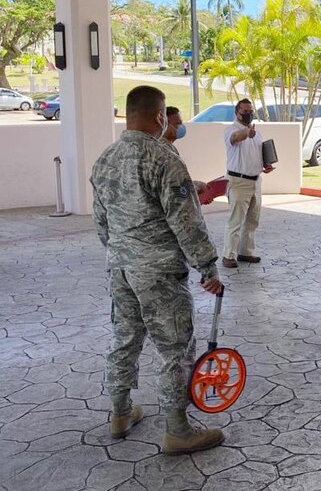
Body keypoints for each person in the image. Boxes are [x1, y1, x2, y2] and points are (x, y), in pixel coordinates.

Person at [91, 85, 225, 455]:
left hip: (121, 267)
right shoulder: (163, 158)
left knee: (125, 337)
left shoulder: (105, 159)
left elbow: (101, 223)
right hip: (159, 272)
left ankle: (120, 412)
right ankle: (178, 430)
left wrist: (123, 253)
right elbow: (186, 222)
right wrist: (208, 267)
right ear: (159, 116)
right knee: (175, 347)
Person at [222, 98, 274, 268]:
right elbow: (236, 138)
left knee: (252, 220)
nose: (249, 114)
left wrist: (265, 164)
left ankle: (245, 252)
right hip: (238, 181)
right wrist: (246, 133)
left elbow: (258, 152)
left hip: (255, 181)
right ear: (237, 112)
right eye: (245, 111)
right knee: (235, 221)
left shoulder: (257, 132)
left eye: (251, 111)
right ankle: (228, 255)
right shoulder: (231, 130)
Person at [163, 106, 208, 197]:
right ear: (165, 125)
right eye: (177, 124)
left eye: (181, 123)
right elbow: (174, 187)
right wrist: (196, 186)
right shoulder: (163, 151)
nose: (181, 126)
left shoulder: (169, 147)